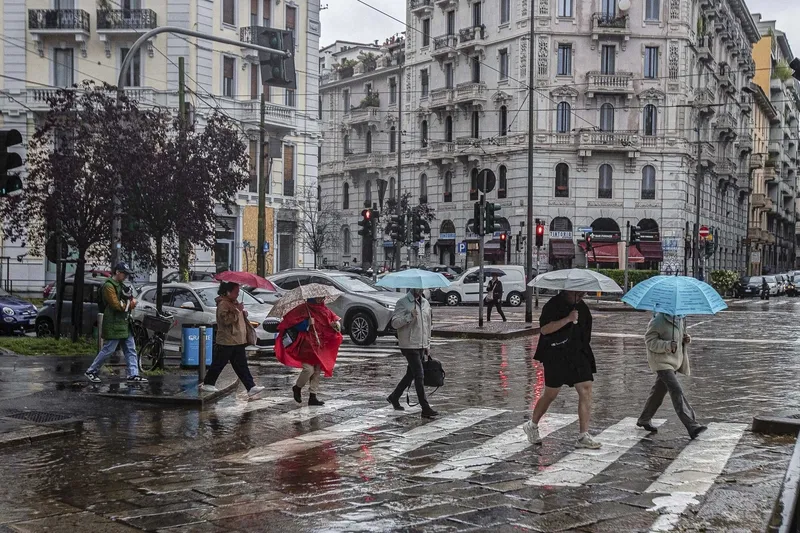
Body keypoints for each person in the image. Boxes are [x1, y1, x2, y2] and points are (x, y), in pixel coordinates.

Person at [523, 290, 601, 449]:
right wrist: (567, 319)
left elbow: (586, 331)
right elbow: (544, 329)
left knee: (586, 389)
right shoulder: (552, 305)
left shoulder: (582, 307)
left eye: (583, 295)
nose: (581, 297)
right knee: (551, 394)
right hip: (555, 355)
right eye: (578, 294)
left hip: (578, 354)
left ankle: (583, 435)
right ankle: (532, 424)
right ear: (567, 291)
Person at [636, 313, 707, 440]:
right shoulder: (658, 320)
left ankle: (644, 419)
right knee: (676, 390)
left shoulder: (680, 318)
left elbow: (679, 337)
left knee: (658, 391)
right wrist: (667, 345)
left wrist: (685, 339)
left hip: (673, 361)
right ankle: (692, 425)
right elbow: (649, 340)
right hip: (662, 362)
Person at [200, 282, 265, 399]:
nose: (238, 294)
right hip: (227, 340)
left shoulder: (232, 303)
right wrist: (237, 311)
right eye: (236, 292)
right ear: (228, 292)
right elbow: (226, 321)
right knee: (220, 362)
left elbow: (236, 318)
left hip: (237, 340)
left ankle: (251, 387)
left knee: (241, 365)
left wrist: (242, 313)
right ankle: (208, 383)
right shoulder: (223, 304)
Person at [85, 262, 147, 384]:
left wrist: (129, 301)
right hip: (114, 323)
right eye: (124, 274)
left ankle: (133, 374)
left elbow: (127, 300)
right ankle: (91, 371)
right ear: (117, 272)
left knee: (130, 349)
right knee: (108, 349)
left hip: (124, 322)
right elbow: (116, 305)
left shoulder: (120, 285)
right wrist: (130, 304)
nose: (126, 277)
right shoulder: (109, 286)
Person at [275, 297, 343, 406]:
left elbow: (332, 322)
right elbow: (292, 323)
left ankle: (313, 396)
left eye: (322, 297)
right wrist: (306, 323)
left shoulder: (324, 309)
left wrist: (334, 326)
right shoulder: (303, 309)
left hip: (318, 344)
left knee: (317, 370)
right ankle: (297, 387)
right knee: (308, 369)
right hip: (305, 345)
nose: (322, 299)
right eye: (319, 297)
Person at [387, 289, 438, 419]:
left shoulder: (426, 303)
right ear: (412, 287)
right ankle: (425, 407)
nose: (420, 290)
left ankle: (394, 396)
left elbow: (428, 325)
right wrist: (409, 317)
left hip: (421, 344)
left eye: (422, 288)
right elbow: (394, 323)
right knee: (419, 375)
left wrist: (427, 344)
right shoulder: (403, 303)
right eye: (418, 287)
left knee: (411, 374)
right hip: (409, 345)